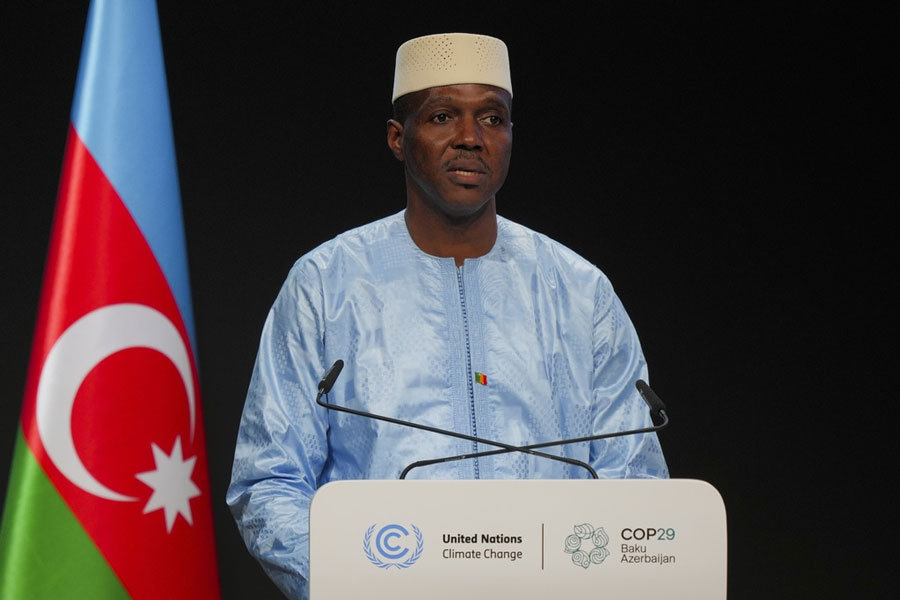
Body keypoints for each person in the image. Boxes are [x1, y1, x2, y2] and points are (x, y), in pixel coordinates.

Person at [227, 32, 668, 599]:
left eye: (492, 118)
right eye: (441, 116)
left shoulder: (581, 292)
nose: (470, 138)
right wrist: (356, 585)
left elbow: (634, 482)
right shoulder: (326, 284)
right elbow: (270, 482)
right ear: (398, 137)